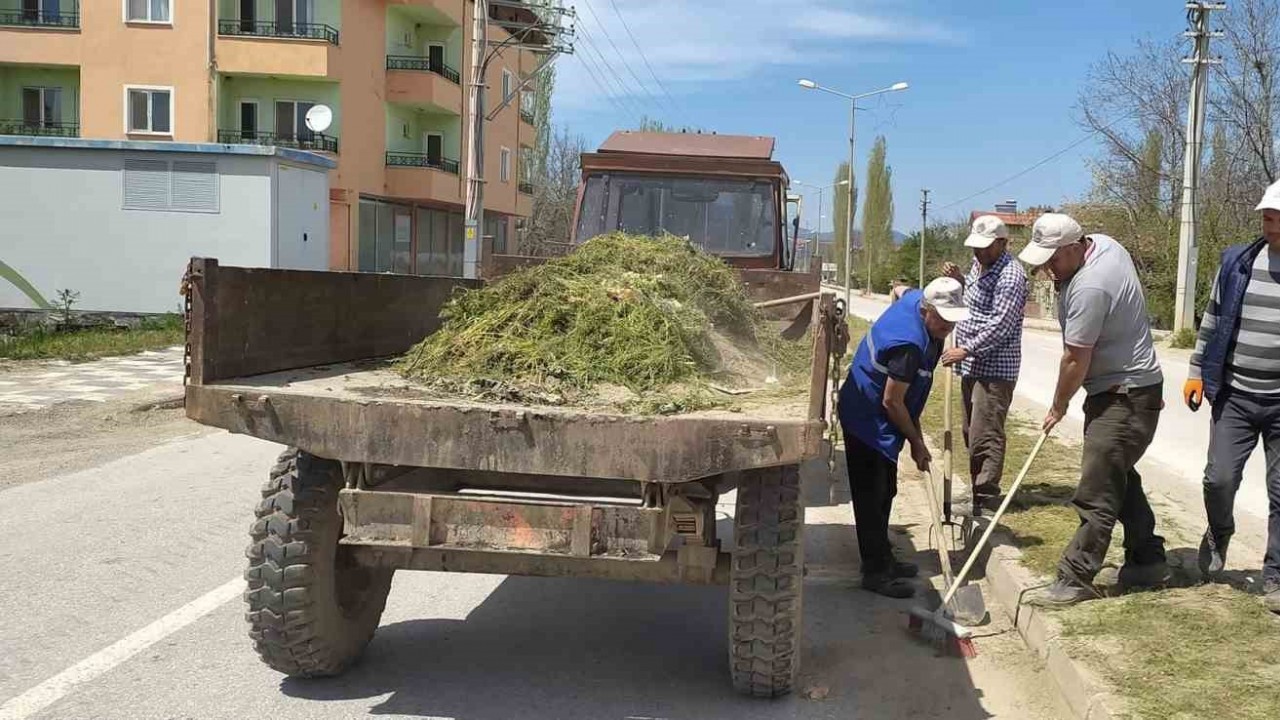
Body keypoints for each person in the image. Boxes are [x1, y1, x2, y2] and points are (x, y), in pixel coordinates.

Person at [1018, 213, 1170, 607]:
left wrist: (1057, 405)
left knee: (1097, 488)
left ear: (1074, 246)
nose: (1047, 269)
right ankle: (1147, 559)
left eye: (1053, 259)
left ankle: (1075, 576)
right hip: (1131, 389)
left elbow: (1074, 360)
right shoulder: (1105, 243)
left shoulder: (1089, 288)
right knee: (1118, 477)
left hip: (1124, 394)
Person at [839, 277, 970, 598]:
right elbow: (893, 402)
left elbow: (899, 289)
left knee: (888, 489)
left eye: (952, 319)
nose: (946, 326)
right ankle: (875, 572)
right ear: (925, 310)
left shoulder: (916, 300)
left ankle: (883, 556)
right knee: (873, 495)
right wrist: (917, 442)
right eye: (941, 319)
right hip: (866, 416)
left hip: (881, 412)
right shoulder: (909, 346)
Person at [1184, 180, 1280, 614]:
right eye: (1267, 217)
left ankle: (1275, 575)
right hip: (1235, 395)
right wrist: (1194, 371)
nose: (1271, 225)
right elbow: (1213, 318)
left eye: (1277, 219)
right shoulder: (1238, 262)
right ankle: (1219, 530)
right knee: (1218, 478)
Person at [941, 215, 1030, 514]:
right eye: (975, 248)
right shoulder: (981, 265)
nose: (978, 253)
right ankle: (977, 489)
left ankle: (986, 498)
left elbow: (1001, 325)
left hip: (994, 368)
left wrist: (965, 349)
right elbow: (975, 302)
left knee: (986, 431)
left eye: (985, 248)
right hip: (972, 365)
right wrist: (960, 281)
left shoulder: (1011, 276)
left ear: (1003, 243)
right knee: (970, 430)